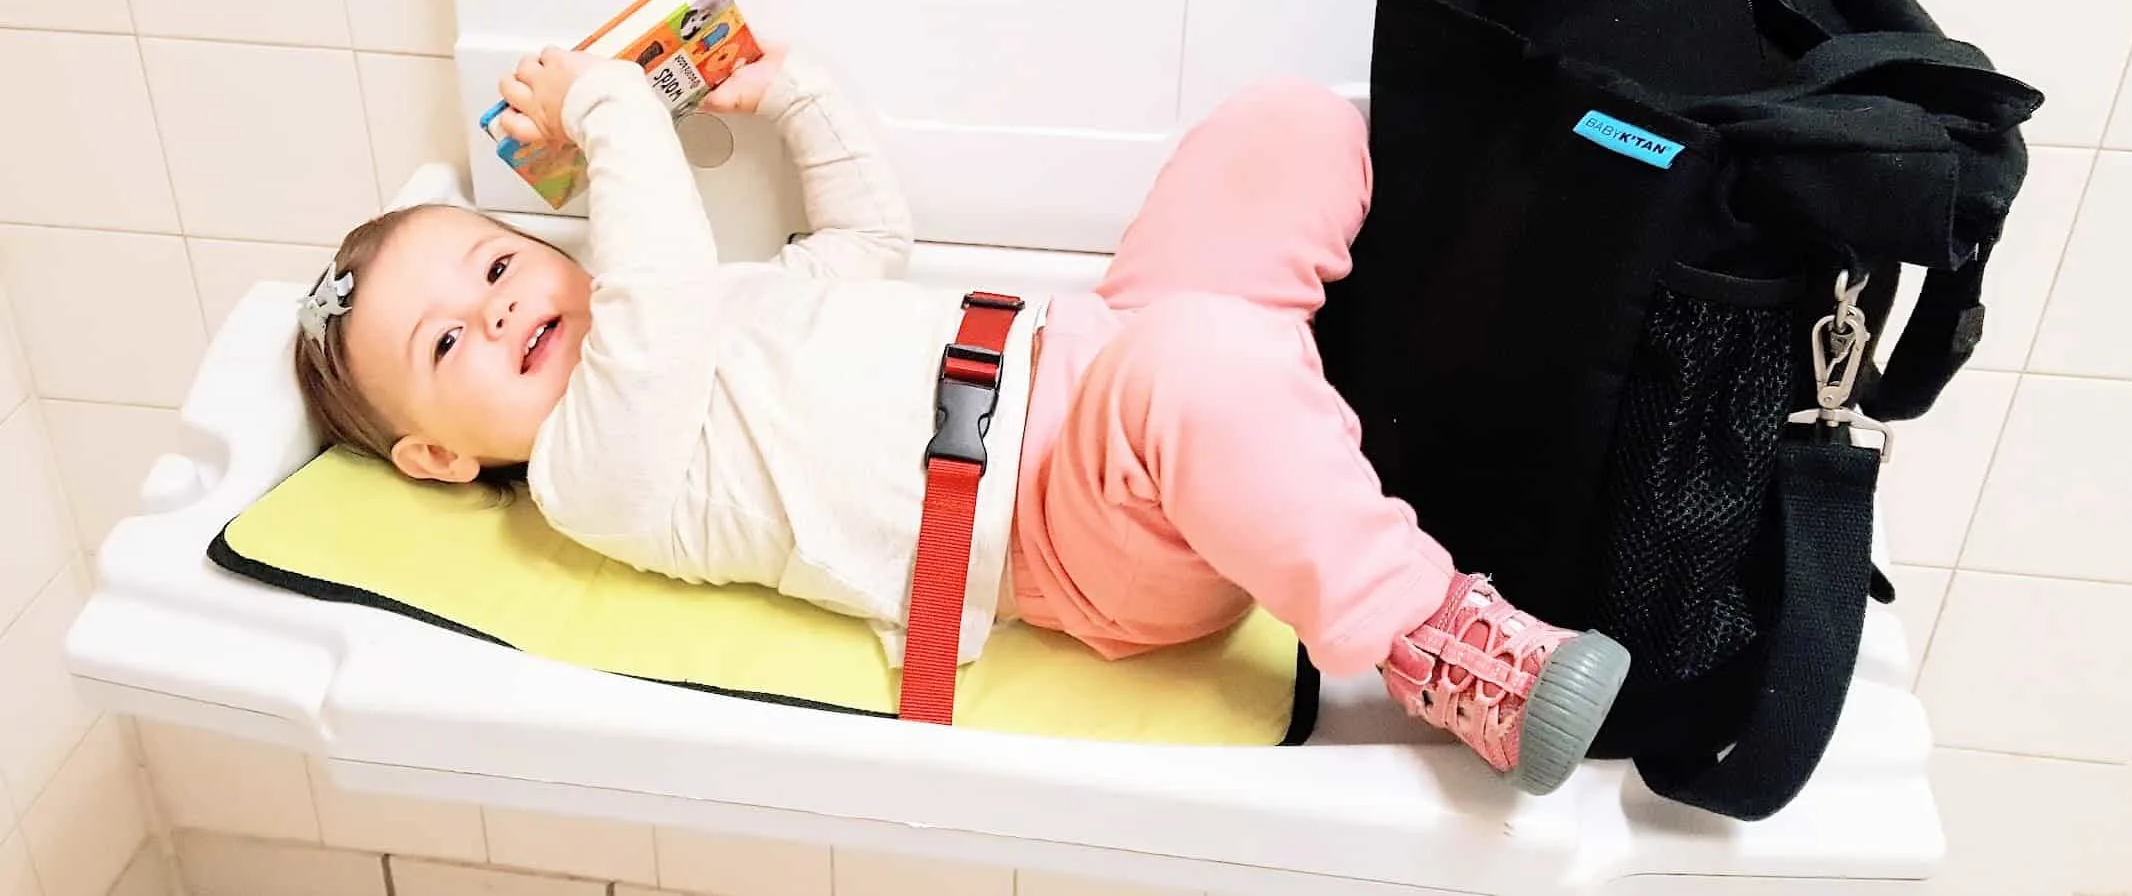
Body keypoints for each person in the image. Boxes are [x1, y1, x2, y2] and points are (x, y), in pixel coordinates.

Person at [293, 41, 1629, 794]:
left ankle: (1334, 381)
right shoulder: (595, 469)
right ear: (439, 451)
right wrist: (606, 103)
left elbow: (869, 237)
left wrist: (794, 99)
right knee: (1196, 375)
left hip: (1092, 351)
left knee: (1280, 123)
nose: (504, 310)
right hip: (1068, 529)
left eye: (494, 265)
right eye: (449, 341)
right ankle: (1447, 647)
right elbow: (650, 283)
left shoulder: (729, 307)